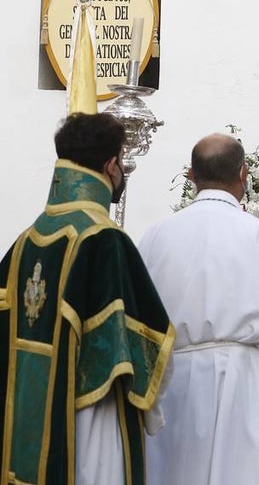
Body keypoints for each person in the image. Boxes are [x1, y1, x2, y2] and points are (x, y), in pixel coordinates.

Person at [0, 113, 174, 485]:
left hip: (28, 420)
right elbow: (145, 338)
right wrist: (154, 408)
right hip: (92, 418)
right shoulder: (104, 239)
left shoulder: (24, 242)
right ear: (111, 165)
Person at [139, 133, 259, 484]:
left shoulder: (155, 236)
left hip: (173, 378)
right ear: (243, 174)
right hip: (243, 378)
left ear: (191, 175)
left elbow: (139, 316)